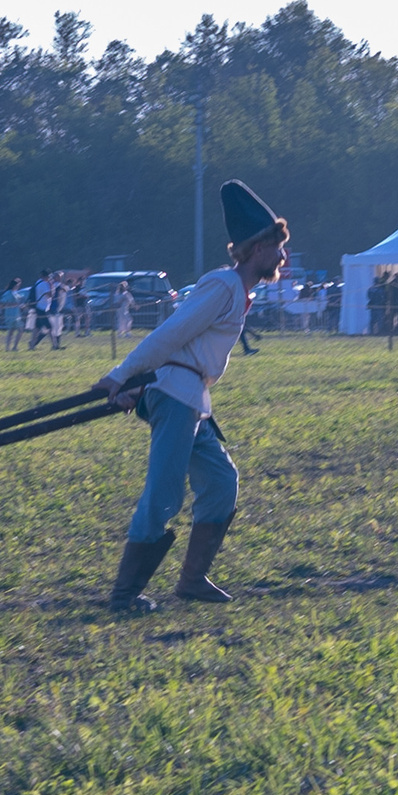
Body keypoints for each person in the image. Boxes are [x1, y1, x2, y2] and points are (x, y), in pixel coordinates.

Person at [95, 181, 288, 612]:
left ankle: (192, 580)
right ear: (256, 248)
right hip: (175, 394)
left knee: (221, 482)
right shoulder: (223, 287)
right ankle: (125, 595)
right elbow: (171, 334)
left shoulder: (237, 292)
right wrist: (121, 376)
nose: (282, 256)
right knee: (163, 495)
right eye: (276, 246)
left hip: (192, 397)